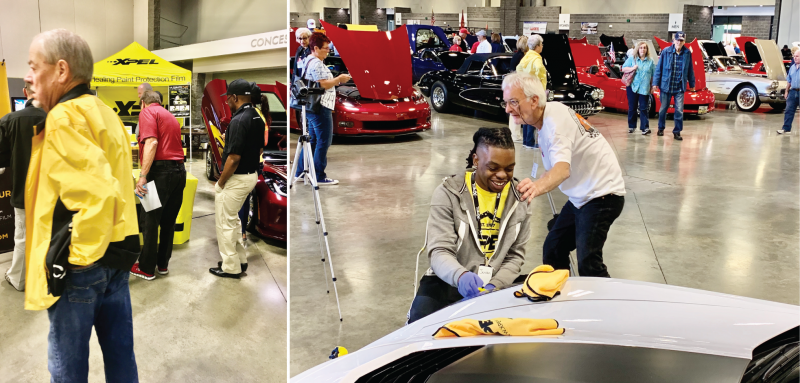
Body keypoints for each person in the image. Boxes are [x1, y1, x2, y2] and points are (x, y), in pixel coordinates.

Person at [24, 28, 140, 381]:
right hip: (118, 254)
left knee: (67, 367)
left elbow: (98, 192)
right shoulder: (104, 112)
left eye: (34, 66)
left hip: (83, 265)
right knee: (120, 355)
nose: (28, 77)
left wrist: (75, 260)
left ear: (61, 70)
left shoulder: (63, 117)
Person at [502, 72, 626, 278]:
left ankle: (605, 297)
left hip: (602, 195)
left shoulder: (554, 125)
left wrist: (536, 187)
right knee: (554, 248)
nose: (508, 109)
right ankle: (560, 290)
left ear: (534, 100)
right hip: (582, 196)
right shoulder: (547, 116)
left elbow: (562, 170)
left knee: (588, 262)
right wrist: (537, 182)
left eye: (513, 102)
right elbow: (554, 167)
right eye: (506, 102)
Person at [408, 127, 530, 323]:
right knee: (421, 321)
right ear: (476, 160)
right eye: (493, 168)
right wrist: (461, 276)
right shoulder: (448, 193)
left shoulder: (520, 197)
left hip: (497, 284)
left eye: (509, 169)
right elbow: (439, 251)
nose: (502, 175)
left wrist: (495, 285)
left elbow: (515, 256)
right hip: (449, 280)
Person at [209, 79, 266, 279]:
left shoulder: (239, 120)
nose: (227, 103)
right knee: (233, 221)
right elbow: (260, 148)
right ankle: (239, 260)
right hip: (251, 175)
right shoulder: (257, 116)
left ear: (234, 97)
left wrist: (221, 182)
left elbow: (233, 159)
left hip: (237, 178)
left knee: (224, 223)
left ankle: (230, 267)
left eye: (228, 99)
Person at [129, 90, 187, 280]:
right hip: (179, 172)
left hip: (159, 173)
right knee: (168, 222)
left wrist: (143, 176)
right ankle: (162, 265)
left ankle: (146, 268)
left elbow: (152, 143)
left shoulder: (147, 112)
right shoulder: (169, 116)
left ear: (142, 103)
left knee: (150, 220)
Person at [0, 82, 46, 292]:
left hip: (24, 192)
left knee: (23, 237)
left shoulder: (9, 120)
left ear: (25, 92)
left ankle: (19, 280)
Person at [293, 32, 351, 186]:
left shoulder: (308, 60)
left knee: (313, 140)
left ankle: (300, 171)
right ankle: (319, 175)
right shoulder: (316, 63)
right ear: (316, 48)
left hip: (313, 107)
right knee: (324, 141)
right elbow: (322, 84)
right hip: (320, 106)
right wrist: (339, 79)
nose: (328, 51)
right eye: (326, 48)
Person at [237, 83, 271, 241]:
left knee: (241, 199)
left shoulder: (249, 115)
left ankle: (241, 232)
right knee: (245, 197)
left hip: (247, 163)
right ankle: (242, 231)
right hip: (257, 162)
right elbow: (264, 141)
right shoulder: (259, 114)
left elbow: (261, 142)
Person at [652, 31, 695, 141]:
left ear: (684, 42)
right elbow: (659, 68)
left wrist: (692, 84)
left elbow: (690, 69)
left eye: (681, 40)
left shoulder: (687, 53)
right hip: (666, 86)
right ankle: (660, 128)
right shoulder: (666, 51)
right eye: (677, 40)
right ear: (673, 40)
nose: (679, 42)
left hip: (679, 87)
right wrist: (655, 83)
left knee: (679, 110)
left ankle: (677, 132)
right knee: (663, 109)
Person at [516, 34, 547, 150]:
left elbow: (518, 68)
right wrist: (539, 78)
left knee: (526, 114)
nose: (542, 46)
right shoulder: (537, 57)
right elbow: (539, 69)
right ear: (537, 46)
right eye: (541, 44)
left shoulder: (527, 56)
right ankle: (530, 142)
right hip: (535, 89)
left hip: (525, 89)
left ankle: (526, 140)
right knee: (533, 115)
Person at [622, 41, 655, 135]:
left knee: (644, 108)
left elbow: (653, 75)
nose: (642, 49)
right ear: (637, 49)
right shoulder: (632, 59)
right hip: (632, 87)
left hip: (645, 88)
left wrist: (653, 86)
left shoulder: (651, 61)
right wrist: (632, 68)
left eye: (644, 48)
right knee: (632, 107)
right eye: (641, 48)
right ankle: (632, 126)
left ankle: (645, 128)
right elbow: (623, 68)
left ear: (647, 50)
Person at [508, 36, 529, 143]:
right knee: (516, 110)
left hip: (513, 84)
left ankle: (514, 134)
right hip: (517, 85)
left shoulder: (516, 55)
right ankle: (515, 135)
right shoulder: (522, 57)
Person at [777, 49, 800, 135]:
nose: (795, 58)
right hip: (792, 92)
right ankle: (786, 129)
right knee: (788, 110)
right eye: (794, 56)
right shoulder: (792, 68)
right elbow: (789, 81)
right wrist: (786, 91)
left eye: (797, 56)